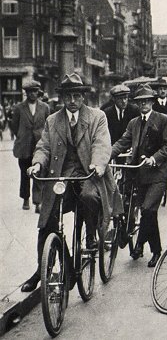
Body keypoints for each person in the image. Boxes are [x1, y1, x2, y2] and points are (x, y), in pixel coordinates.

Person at [21, 73, 123, 293]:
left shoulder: (97, 117)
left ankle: (90, 235)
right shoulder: (52, 120)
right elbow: (44, 147)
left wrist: (97, 165)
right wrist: (37, 164)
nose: (73, 101)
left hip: (89, 174)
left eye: (77, 96)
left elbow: (102, 144)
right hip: (62, 176)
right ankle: (43, 271)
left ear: (83, 96)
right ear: (63, 98)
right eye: (68, 96)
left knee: (89, 197)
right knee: (48, 221)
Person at [110, 84, 167, 267]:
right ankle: (140, 244)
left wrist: (154, 159)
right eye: (140, 102)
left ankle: (154, 250)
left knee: (147, 209)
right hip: (139, 174)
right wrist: (105, 155)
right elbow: (122, 142)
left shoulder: (163, 119)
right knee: (145, 212)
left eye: (147, 101)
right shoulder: (134, 123)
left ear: (152, 102)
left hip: (159, 174)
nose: (143, 104)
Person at [10, 80, 50, 211]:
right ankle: (25, 198)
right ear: (26, 93)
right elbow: (14, 126)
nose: (33, 94)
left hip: (39, 146)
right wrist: (22, 136)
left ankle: (38, 202)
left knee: (39, 173)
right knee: (25, 174)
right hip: (24, 147)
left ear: (38, 92)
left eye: (35, 91)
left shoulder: (45, 107)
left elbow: (48, 125)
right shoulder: (18, 108)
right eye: (30, 92)